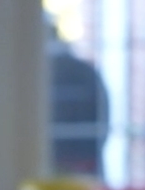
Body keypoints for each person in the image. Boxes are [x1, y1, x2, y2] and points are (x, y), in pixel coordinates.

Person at [46, 13, 110, 180]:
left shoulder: (80, 73)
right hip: (85, 165)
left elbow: (102, 122)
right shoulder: (87, 72)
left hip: (78, 166)